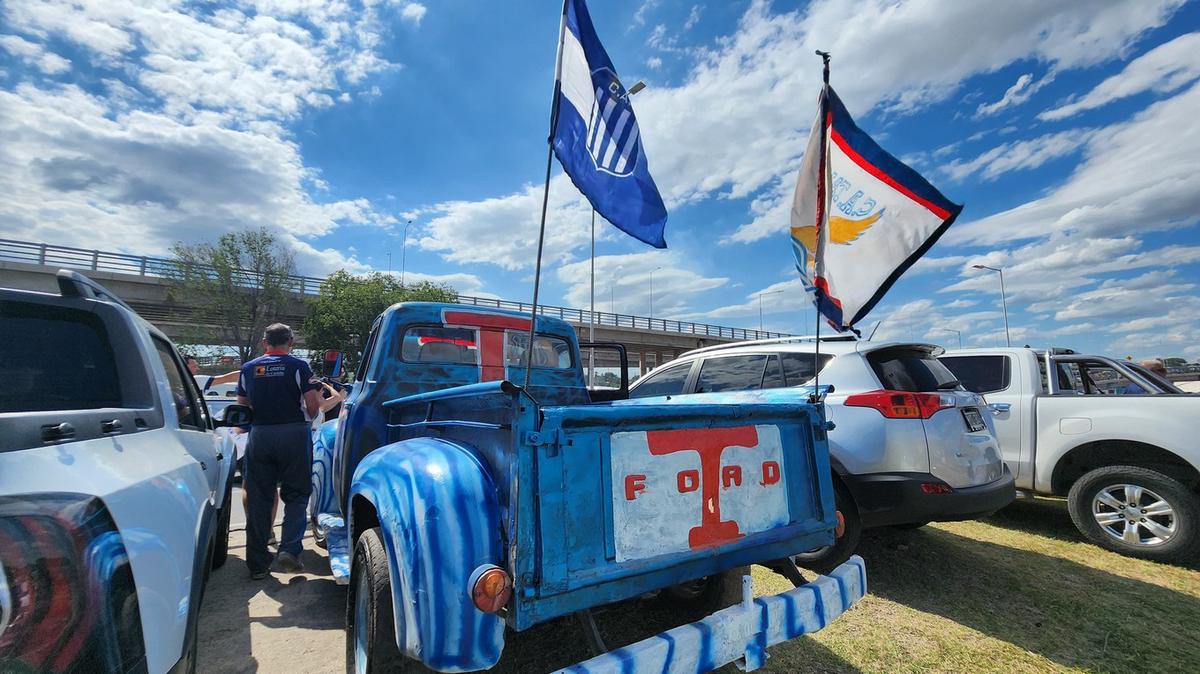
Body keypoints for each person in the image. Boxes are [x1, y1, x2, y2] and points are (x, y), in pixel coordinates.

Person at [237, 323, 321, 579]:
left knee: (259, 497)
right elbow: (312, 405)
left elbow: (242, 406)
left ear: (265, 343)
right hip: (294, 433)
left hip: (260, 434)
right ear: (291, 342)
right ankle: (290, 550)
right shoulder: (299, 367)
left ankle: (257, 564)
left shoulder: (249, 369)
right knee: (296, 494)